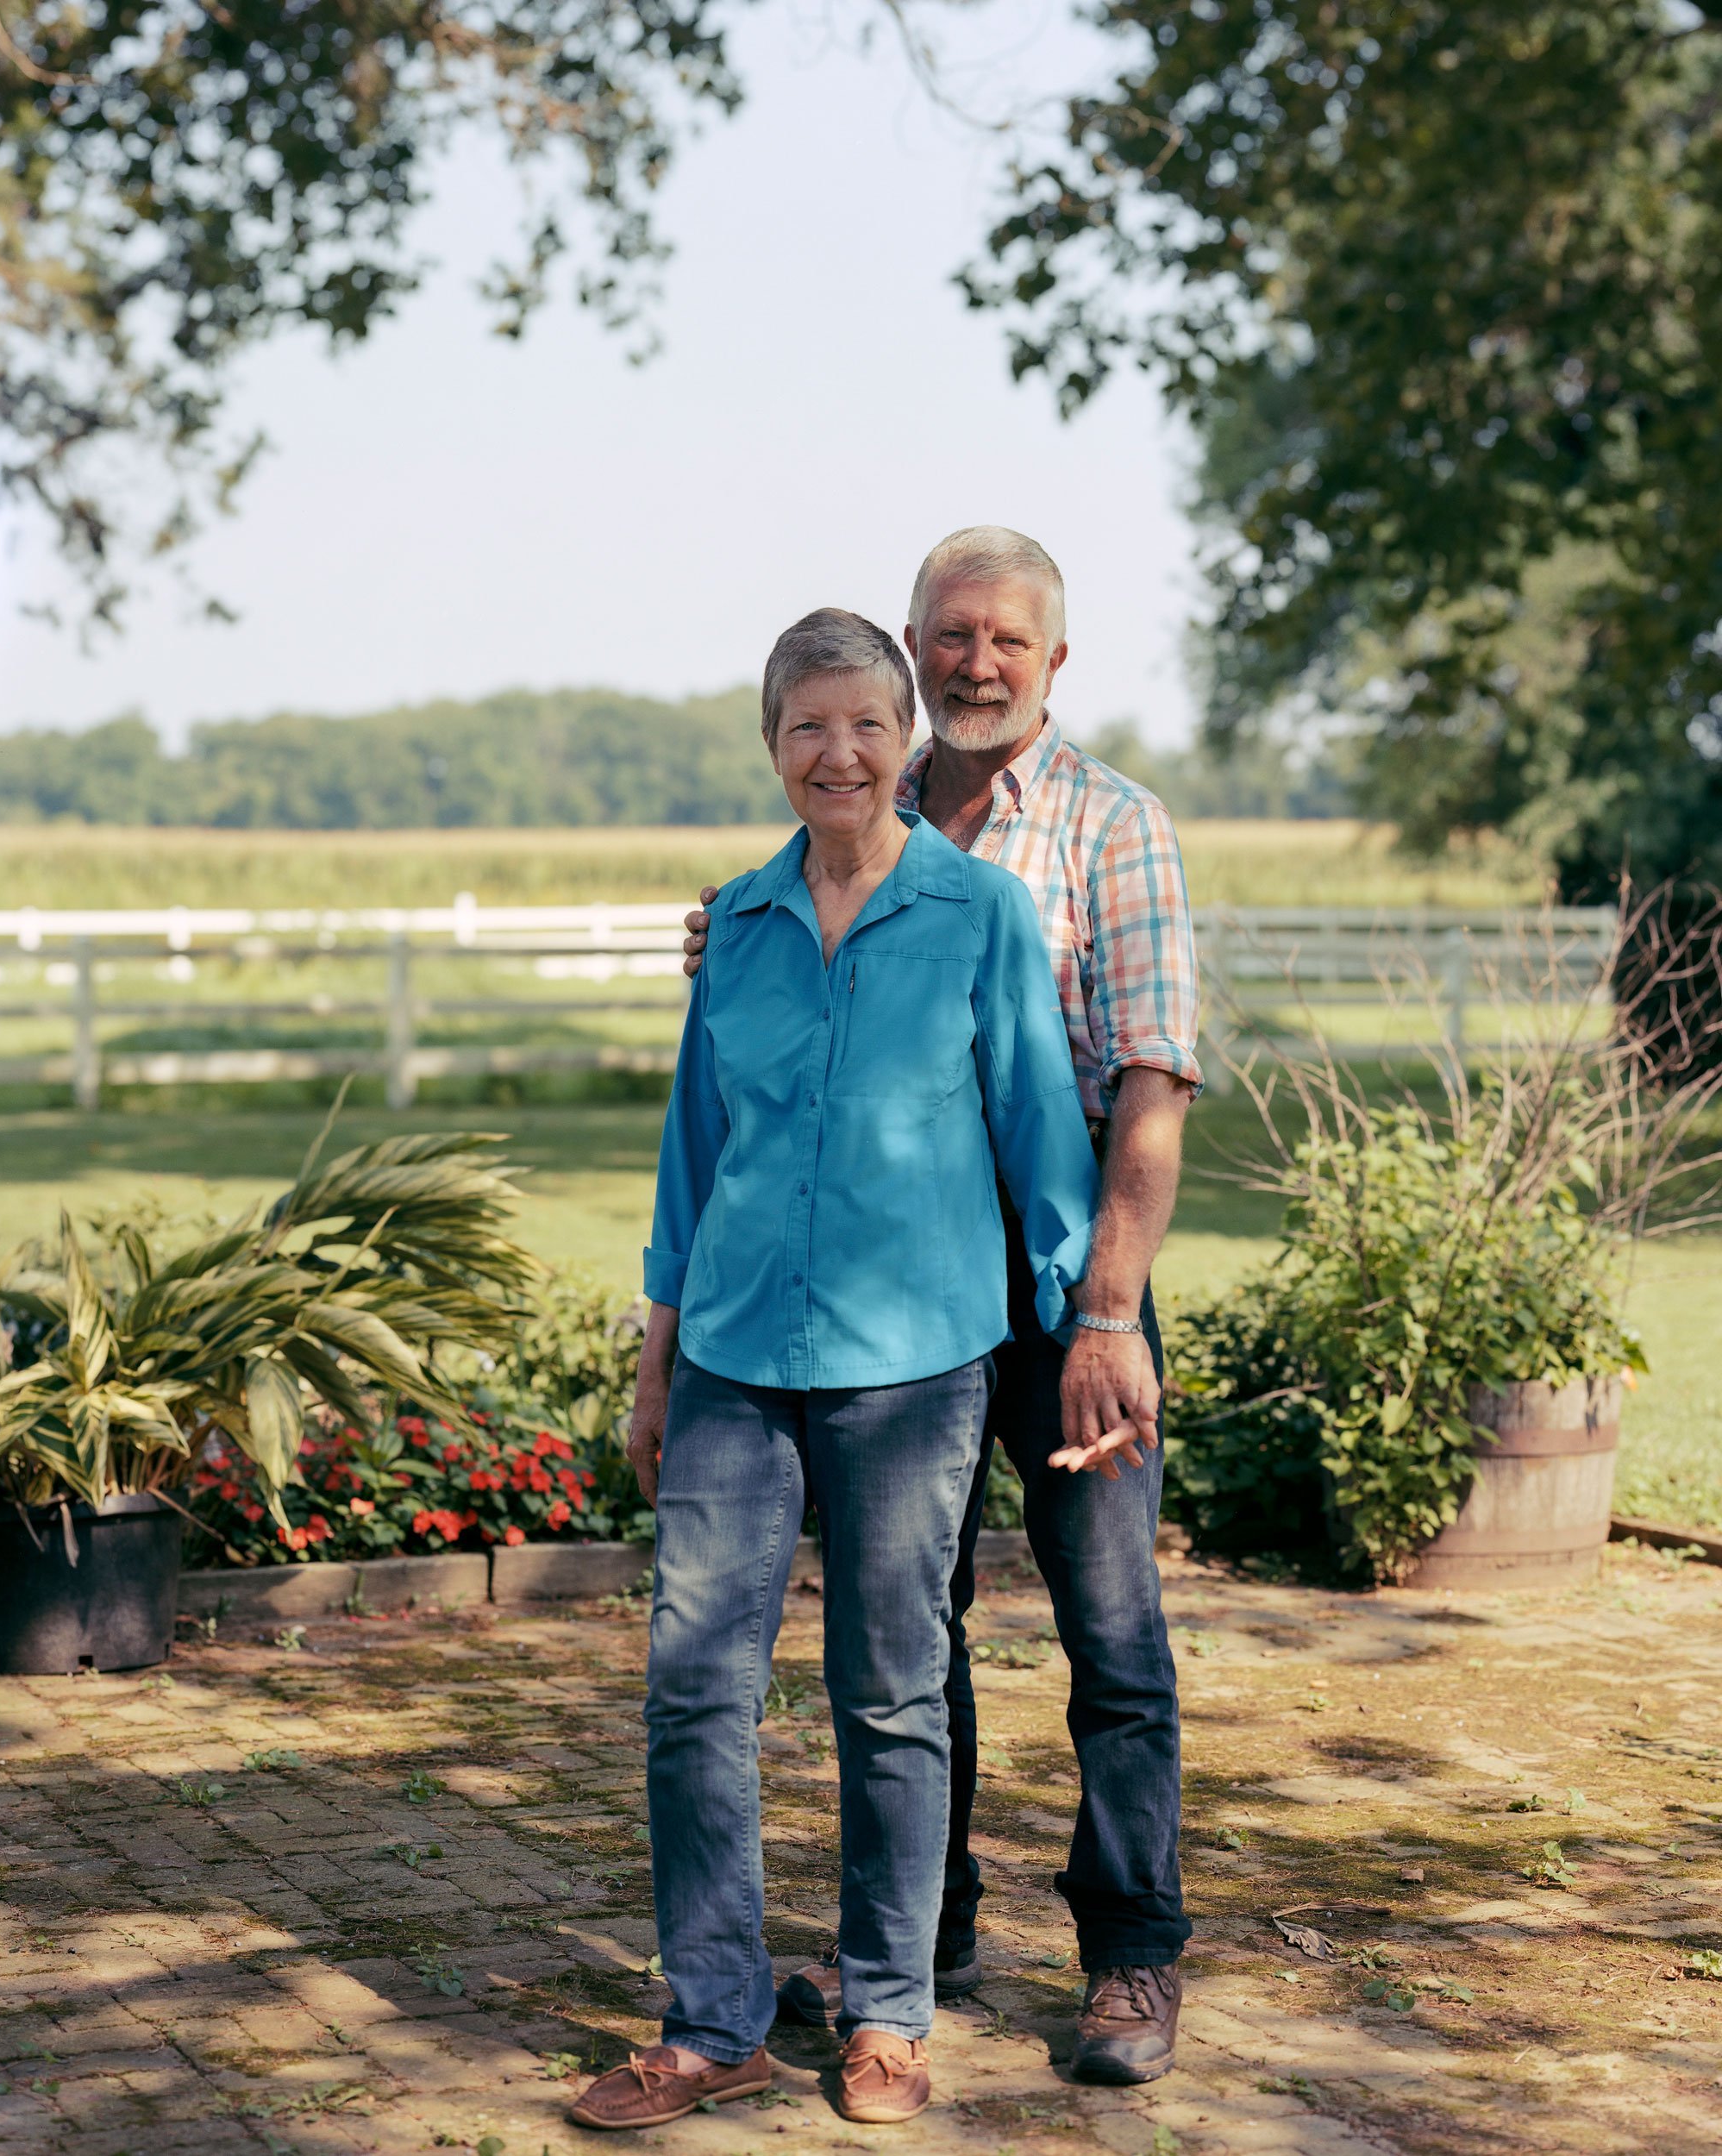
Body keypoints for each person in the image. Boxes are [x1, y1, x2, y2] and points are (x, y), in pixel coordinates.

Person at [568, 608, 1101, 2134]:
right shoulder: (734, 927)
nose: (841, 753)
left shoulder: (980, 917)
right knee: (691, 1694)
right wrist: (658, 1365)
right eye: (808, 726)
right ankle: (714, 2018)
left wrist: (1092, 1338)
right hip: (735, 1353)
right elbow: (694, 1159)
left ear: (903, 734)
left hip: (914, 1365)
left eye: (867, 723)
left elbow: (1041, 1144)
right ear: (773, 746)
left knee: (892, 1695)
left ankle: (887, 2016)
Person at [682, 530, 1202, 2086]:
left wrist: (1107, 1311)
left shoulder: (1114, 826)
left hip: (1068, 1291)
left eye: (1010, 641)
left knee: (1110, 1626)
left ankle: (1130, 1957)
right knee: (919, 1629)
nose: (980, 663)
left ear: (1056, 661)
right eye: (953, 638)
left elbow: (1150, 1087)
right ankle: (921, 1944)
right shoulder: (873, 809)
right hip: (886, 1300)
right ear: (915, 655)